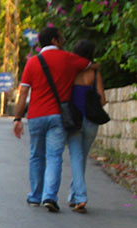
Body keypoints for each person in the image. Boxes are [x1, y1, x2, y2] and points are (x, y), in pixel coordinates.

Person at [12, 27, 92, 212]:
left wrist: (17, 118)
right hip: (57, 116)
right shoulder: (68, 58)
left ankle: (35, 196)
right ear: (55, 40)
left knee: (36, 156)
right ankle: (50, 196)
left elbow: (23, 92)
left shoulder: (32, 62)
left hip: (35, 116)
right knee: (54, 157)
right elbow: (88, 64)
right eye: (61, 38)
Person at [66, 40, 106, 213]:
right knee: (81, 157)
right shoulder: (95, 73)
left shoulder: (71, 72)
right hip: (91, 121)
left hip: (74, 120)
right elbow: (102, 99)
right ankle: (73, 196)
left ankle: (80, 197)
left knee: (76, 157)